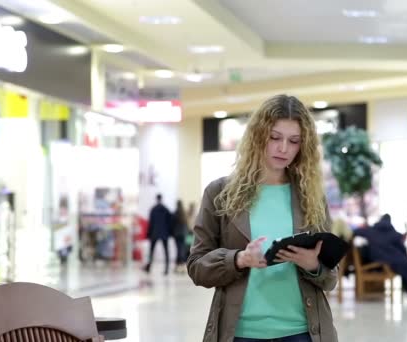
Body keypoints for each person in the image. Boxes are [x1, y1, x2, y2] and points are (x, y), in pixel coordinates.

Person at [187, 95, 338, 342]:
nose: (283, 149)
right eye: (275, 137)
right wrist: (238, 259)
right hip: (240, 334)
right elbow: (196, 266)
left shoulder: (311, 197)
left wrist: (312, 264)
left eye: (294, 141)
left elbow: (331, 278)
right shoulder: (220, 194)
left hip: (302, 333)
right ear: (258, 136)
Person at [354, 214, 407, 301]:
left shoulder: (369, 231)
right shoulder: (394, 234)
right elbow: (403, 250)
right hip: (394, 262)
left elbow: (355, 232)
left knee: (404, 266)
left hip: (382, 262)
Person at [143, 194, 172, 275]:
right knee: (166, 251)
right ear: (161, 199)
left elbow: (150, 223)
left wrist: (148, 234)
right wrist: (169, 232)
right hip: (164, 233)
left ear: (156, 199)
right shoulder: (166, 209)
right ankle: (166, 269)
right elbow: (169, 222)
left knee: (151, 252)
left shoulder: (153, 209)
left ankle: (149, 267)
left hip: (154, 233)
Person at [172, 199, 189, 273]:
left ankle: (179, 266)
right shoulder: (184, 213)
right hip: (184, 234)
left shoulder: (175, 213)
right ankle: (181, 266)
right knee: (182, 249)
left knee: (178, 250)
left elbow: (172, 224)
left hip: (177, 234)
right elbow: (187, 225)